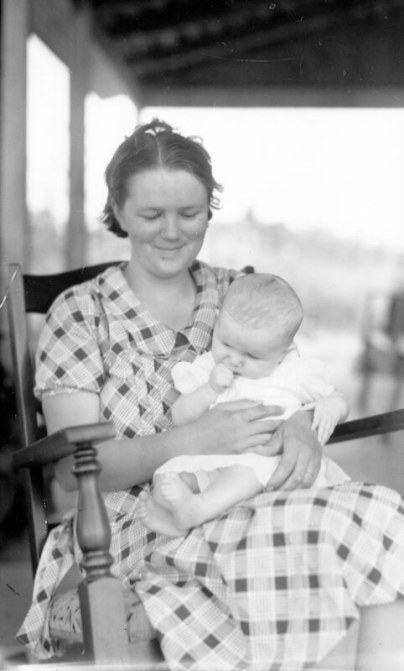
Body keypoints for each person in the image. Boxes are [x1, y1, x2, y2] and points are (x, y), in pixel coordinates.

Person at [17, 119, 404, 671]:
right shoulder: (81, 314)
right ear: (118, 211)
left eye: (190, 214)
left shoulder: (235, 292)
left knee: (384, 515)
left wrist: (299, 424)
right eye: (151, 214)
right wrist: (196, 438)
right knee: (357, 529)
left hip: (255, 502)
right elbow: (72, 471)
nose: (172, 231)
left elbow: (296, 381)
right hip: (140, 527)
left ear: (209, 210)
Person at [139, 272, 350, 537]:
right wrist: (209, 389)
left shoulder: (293, 372)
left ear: (283, 354)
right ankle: (174, 519)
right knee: (169, 473)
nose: (234, 359)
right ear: (216, 324)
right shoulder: (207, 369)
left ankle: (199, 508)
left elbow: (337, 398)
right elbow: (179, 417)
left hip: (265, 470)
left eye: (252, 355)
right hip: (212, 465)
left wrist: (332, 406)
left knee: (247, 470)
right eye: (225, 343)